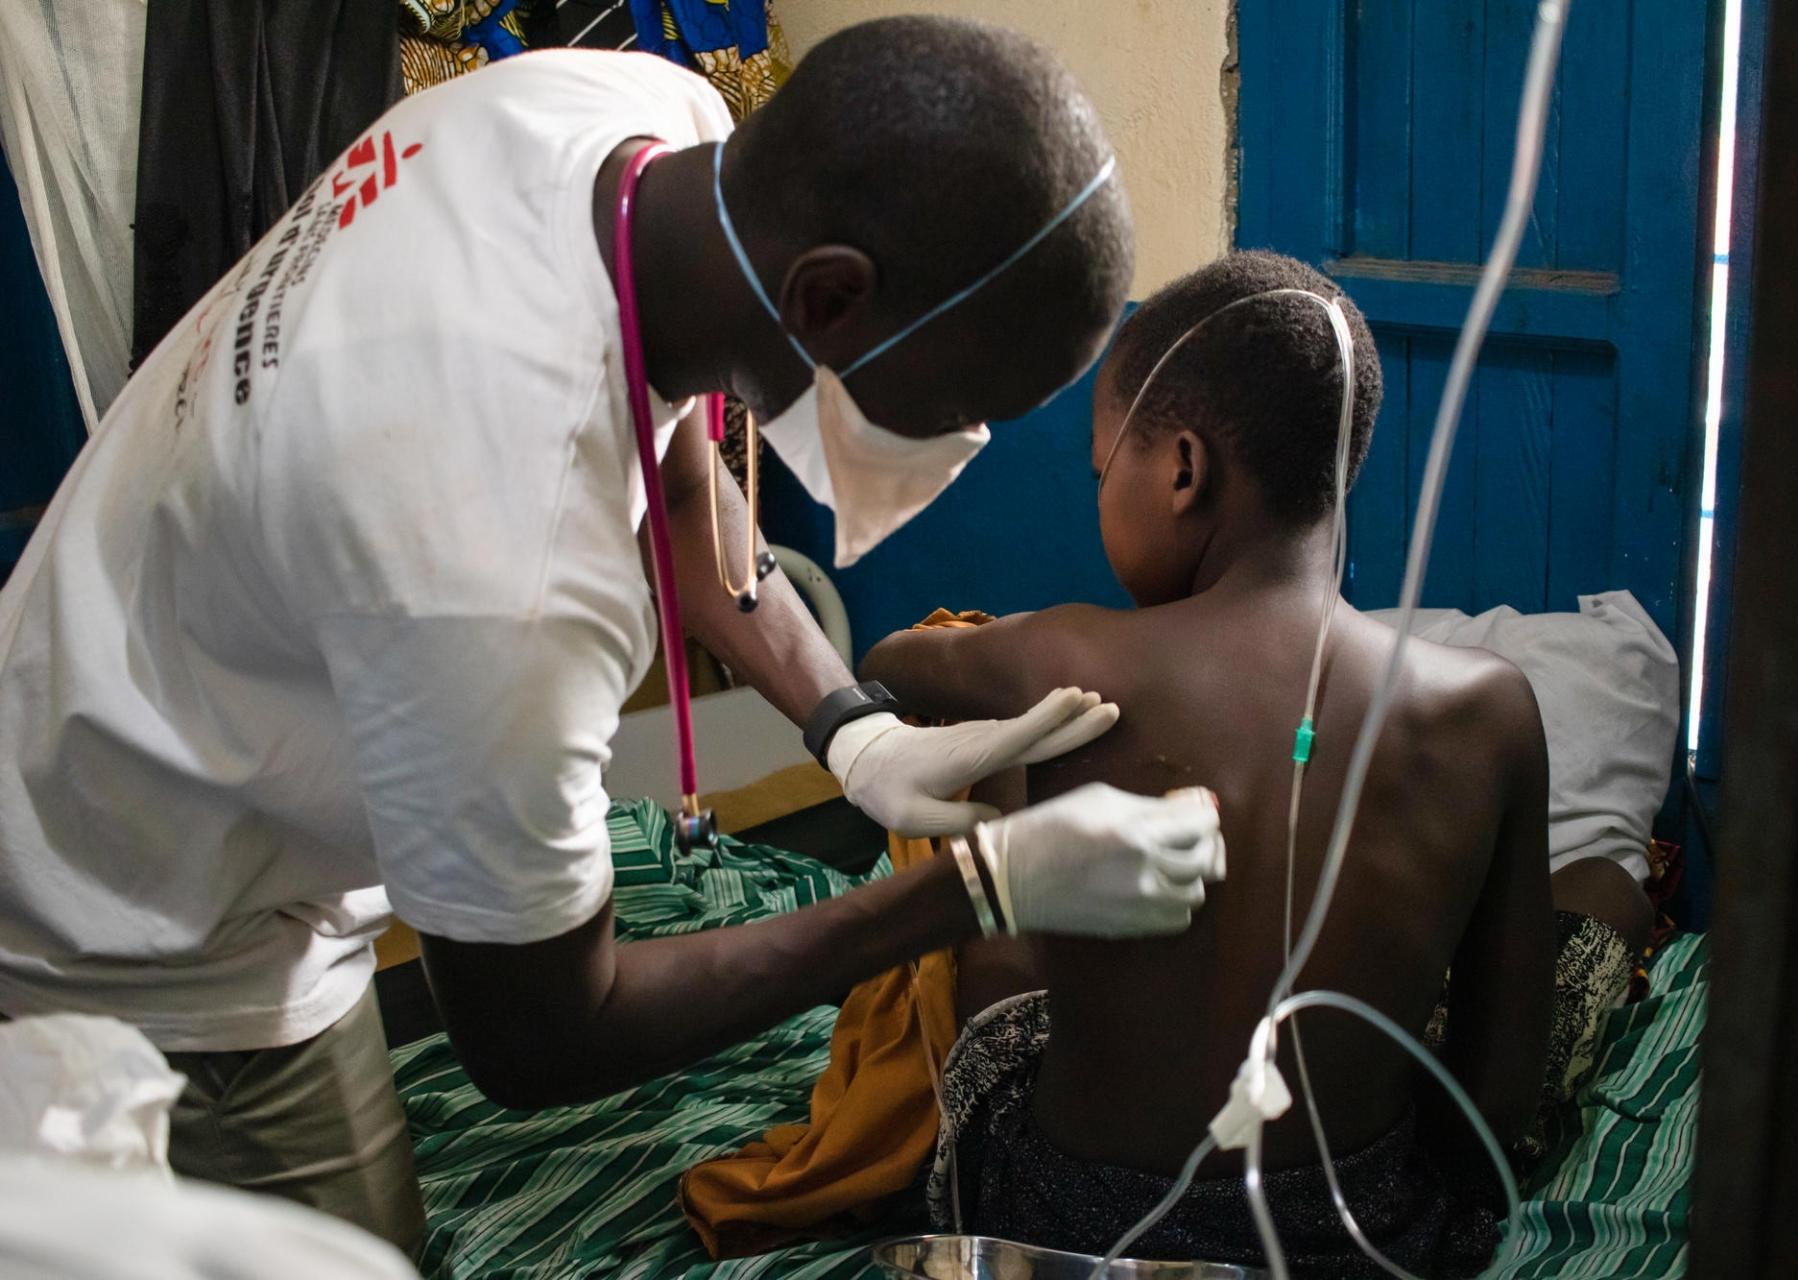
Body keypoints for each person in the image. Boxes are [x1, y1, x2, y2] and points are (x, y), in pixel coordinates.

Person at [0, 18, 1228, 1254]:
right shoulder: (494, 558)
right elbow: (542, 1037)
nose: (960, 448)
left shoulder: (637, 128)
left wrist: (849, 728)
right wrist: (978, 890)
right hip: (123, 905)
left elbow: (680, 466)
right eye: (963, 405)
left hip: (117, 654)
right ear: (830, 296)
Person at [859, 251, 1555, 1274]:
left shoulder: (1069, 654)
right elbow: (1495, 1096)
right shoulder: (1491, 710)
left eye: (1106, 473)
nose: (1101, 501)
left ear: (1182, 469)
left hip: (1067, 1222)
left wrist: (1000, 650)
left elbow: (887, 660)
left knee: (1022, 747)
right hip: (1357, 1233)